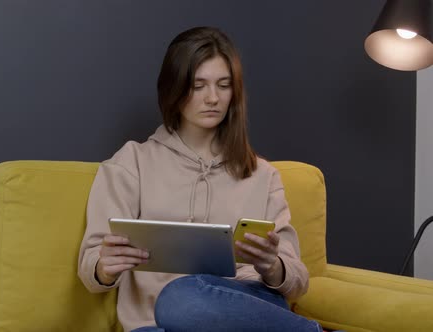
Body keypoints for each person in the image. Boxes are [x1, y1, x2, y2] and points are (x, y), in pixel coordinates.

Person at [78, 26, 323, 332]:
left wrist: (274, 265)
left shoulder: (263, 174)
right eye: (198, 86)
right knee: (175, 301)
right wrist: (104, 266)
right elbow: (90, 267)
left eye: (223, 85)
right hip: (156, 323)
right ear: (174, 88)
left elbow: (298, 282)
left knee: (182, 296)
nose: (212, 98)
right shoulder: (132, 162)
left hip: (243, 309)